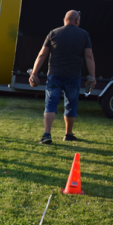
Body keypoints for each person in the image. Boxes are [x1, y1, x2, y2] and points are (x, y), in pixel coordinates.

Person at [29, 10, 96, 144]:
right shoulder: (84, 34)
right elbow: (89, 56)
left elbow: (42, 55)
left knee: (50, 104)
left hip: (54, 75)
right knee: (71, 105)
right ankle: (68, 134)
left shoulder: (53, 33)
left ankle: (46, 135)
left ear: (64, 20)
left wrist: (34, 73)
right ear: (76, 20)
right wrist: (92, 76)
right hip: (73, 76)